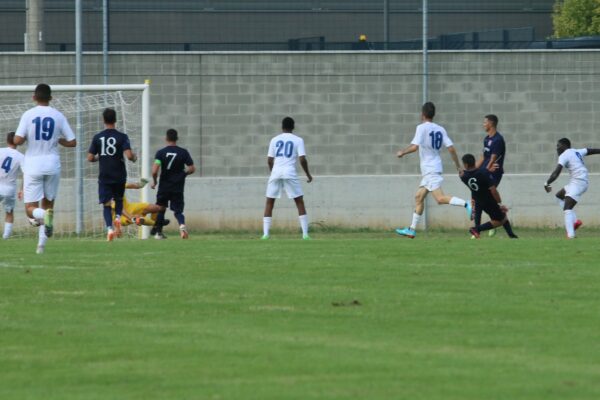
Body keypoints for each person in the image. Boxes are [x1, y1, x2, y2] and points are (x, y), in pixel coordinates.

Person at [13, 83, 76, 254]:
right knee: (48, 205)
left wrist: (25, 136)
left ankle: (42, 217)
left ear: (34, 97)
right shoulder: (58, 115)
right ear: (51, 98)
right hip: (52, 165)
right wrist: (59, 140)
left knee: (30, 209)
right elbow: (73, 142)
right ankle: (40, 246)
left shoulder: (28, 115)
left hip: (33, 165)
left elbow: (17, 140)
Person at [395, 102, 471, 238]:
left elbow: (415, 147)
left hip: (430, 170)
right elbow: (451, 148)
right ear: (433, 114)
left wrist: (403, 152)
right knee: (418, 197)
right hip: (431, 169)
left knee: (440, 199)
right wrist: (458, 166)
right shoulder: (440, 129)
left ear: (422, 114)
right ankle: (411, 229)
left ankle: (467, 204)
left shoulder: (421, 128)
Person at [87, 108, 137, 241]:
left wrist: (99, 157)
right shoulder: (122, 137)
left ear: (103, 120)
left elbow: (90, 157)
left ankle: (109, 229)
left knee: (107, 204)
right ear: (115, 120)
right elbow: (129, 155)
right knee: (119, 200)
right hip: (119, 174)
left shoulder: (97, 137)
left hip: (105, 175)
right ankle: (118, 218)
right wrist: (134, 158)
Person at [262, 116, 313, 240]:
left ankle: (265, 234)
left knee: (269, 202)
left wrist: (273, 172)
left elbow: (269, 160)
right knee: (299, 201)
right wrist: (308, 174)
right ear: (293, 127)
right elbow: (302, 159)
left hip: (276, 172)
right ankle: (305, 234)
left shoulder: (274, 140)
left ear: (282, 127)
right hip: (290, 172)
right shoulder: (298, 140)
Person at [544, 138, 600, 239]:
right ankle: (574, 222)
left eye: (558, 145)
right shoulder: (576, 151)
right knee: (559, 196)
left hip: (578, 183)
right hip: (578, 181)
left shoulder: (564, 155)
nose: (557, 148)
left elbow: (556, 173)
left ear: (564, 145)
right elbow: (591, 150)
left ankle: (571, 236)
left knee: (567, 209)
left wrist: (547, 183)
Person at [472, 114, 517, 238]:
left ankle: (477, 230)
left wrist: (485, 171)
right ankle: (509, 233)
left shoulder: (498, 140)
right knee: (483, 202)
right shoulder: (486, 139)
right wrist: (474, 170)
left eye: (485, 122)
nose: (483, 124)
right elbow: (483, 157)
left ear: (491, 123)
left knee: (482, 201)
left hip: (493, 174)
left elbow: (492, 159)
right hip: (485, 172)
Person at [151, 129, 195, 239]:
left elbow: (154, 171)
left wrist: (155, 181)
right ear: (177, 139)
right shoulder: (183, 152)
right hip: (178, 187)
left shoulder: (160, 153)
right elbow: (192, 168)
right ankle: (182, 226)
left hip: (164, 186)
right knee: (178, 211)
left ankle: (159, 233)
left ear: (166, 138)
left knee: (161, 208)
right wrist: (183, 174)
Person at [460, 154, 517, 239]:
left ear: (466, 165)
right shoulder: (483, 172)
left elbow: (470, 174)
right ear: (474, 162)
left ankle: (477, 234)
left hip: (477, 200)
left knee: (479, 219)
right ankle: (476, 229)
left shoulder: (463, 177)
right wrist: (500, 203)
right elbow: (493, 190)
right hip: (488, 200)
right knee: (501, 219)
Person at [0, 132, 25, 239]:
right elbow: (25, 174)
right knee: (9, 212)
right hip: (9, 188)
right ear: (17, 142)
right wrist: (22, 189)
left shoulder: (0, 151)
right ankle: (6, 236)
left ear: (6, 140)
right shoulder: (21, 156)